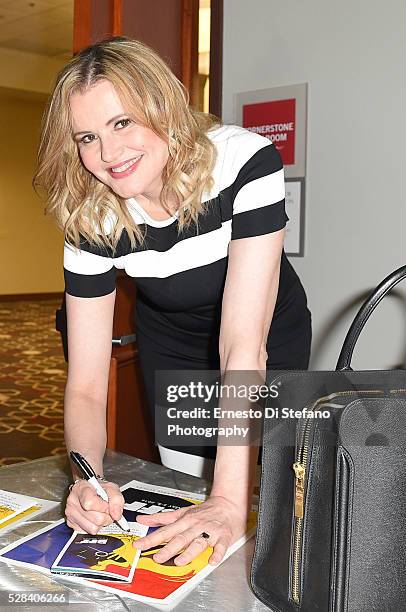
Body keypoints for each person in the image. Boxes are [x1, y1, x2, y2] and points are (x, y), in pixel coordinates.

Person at [34, 37, 311, 567]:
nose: (109, 155)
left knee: (257, 494)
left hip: (260, 337)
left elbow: (241, 347)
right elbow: (88, 384)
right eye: (87, 137)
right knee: (186, 491)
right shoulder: (90, 216)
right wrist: (87, 480)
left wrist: (228, 502)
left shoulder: (243, 161)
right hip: (172, 340)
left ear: (162, 107)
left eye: (122, 123)